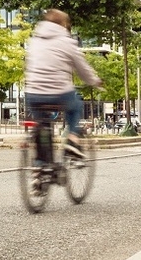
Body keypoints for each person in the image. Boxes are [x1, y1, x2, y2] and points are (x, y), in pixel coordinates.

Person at [23, 9, 103, 160]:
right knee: (77, 105)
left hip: (33, 93)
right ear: (63, 24)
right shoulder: (67, 41)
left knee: (41, 126)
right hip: (59, 93)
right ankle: (72, 141)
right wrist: (94, 81)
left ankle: (40, 169)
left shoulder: (34, 41)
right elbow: (82, 68)